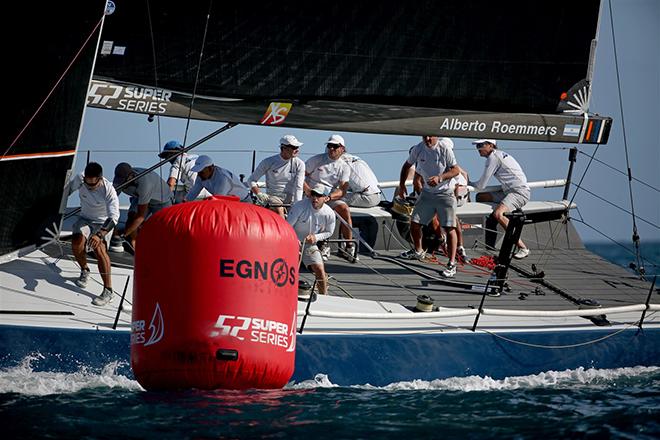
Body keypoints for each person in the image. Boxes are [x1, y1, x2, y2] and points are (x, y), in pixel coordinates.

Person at [396, 136, 460, 277]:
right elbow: (407, 166)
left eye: (431, 135)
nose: (428, 138)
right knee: (415, 223)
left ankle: (451, 263)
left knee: (450, 228)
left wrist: (440, 178)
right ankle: (418, 251)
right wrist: (401, 185)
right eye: (425, 136)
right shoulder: (418, 149)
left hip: (445, 194)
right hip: (427, 194)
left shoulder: (444, 149)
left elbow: (456, 170)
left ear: (436, 136)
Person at [66, 162, 120, 306]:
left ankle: (108, 291)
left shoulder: (109, 190)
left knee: (99, 249)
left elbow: (114, 217)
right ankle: (85, 270)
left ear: (100, 179)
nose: (89, 187)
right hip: (85, 218)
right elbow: (66, 191)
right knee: (77, 242)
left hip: (102, 222)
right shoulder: (80, 178)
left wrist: (100, 235)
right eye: (87, 183)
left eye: (93, 184)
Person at [469, 139, 530, 259]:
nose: (478, 148)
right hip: (508, 191)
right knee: (481, 197)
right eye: (477, 146)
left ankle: (523, 247)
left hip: (518, 192)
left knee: (498, 214)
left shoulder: (493, 158)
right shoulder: (499, 154)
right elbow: (481, 190)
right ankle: (490, 227)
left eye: (481, 145)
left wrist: (468, 183)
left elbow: (481, 185)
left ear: (491, 145)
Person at [303, 134, 354, 261]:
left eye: (335, 146)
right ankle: (323, 244)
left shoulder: (344, 167)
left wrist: (329, 198)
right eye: (329, 146)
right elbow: (300, 176)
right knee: (319, 209)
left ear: (342, 149)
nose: (331, 149)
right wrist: (308, 191)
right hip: (310, 195)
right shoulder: (316, 160)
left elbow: (342, 190)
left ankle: (348, 246)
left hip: (327, 197)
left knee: (344, 209)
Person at [286, 184, 336, 295]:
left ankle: (324, 297)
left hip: (309, 244)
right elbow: (287, 227)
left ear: (325, 198)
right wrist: (294, 240)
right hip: (292, 241)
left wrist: (316, 237)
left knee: (319, 269)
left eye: (319, 195)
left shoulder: (329, 213)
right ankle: (288, 294)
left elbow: (329, 232)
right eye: (313, 194)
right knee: (291, 269)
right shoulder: (299, 206)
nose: (315, 198)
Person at [112, 162, 173, 251]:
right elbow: (111, 201)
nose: (121, 183)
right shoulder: (119, 180)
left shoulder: (145, 185)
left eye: (123, 180)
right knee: (131, 215)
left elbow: (140, 217)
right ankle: (133, 242)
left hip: (161, 199)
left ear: (131, 176)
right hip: (139, 196)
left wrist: (123, 235)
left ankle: (163, 249)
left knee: (164, 228)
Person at [247, 135, 305, 217]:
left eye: (297, 147)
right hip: (273, 197)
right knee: (279, 208)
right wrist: (259, 194)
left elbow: (299, 187)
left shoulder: (300, 164)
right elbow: (251, 180)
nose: (297, 150)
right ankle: (284, 229)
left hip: (291, 200)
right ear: (283, 148)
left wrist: (297, 205)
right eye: (294, 147)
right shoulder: (268, 162)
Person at [185, 155, 251, 202]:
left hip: (243, 201)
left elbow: (217, 200)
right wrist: (184, 203)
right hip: (229, 202)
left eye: (201, 172)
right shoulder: (201, 176)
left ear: (210, 168)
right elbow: (192, 193)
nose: (198, 174)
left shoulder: (222, 179)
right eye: (198, 172)